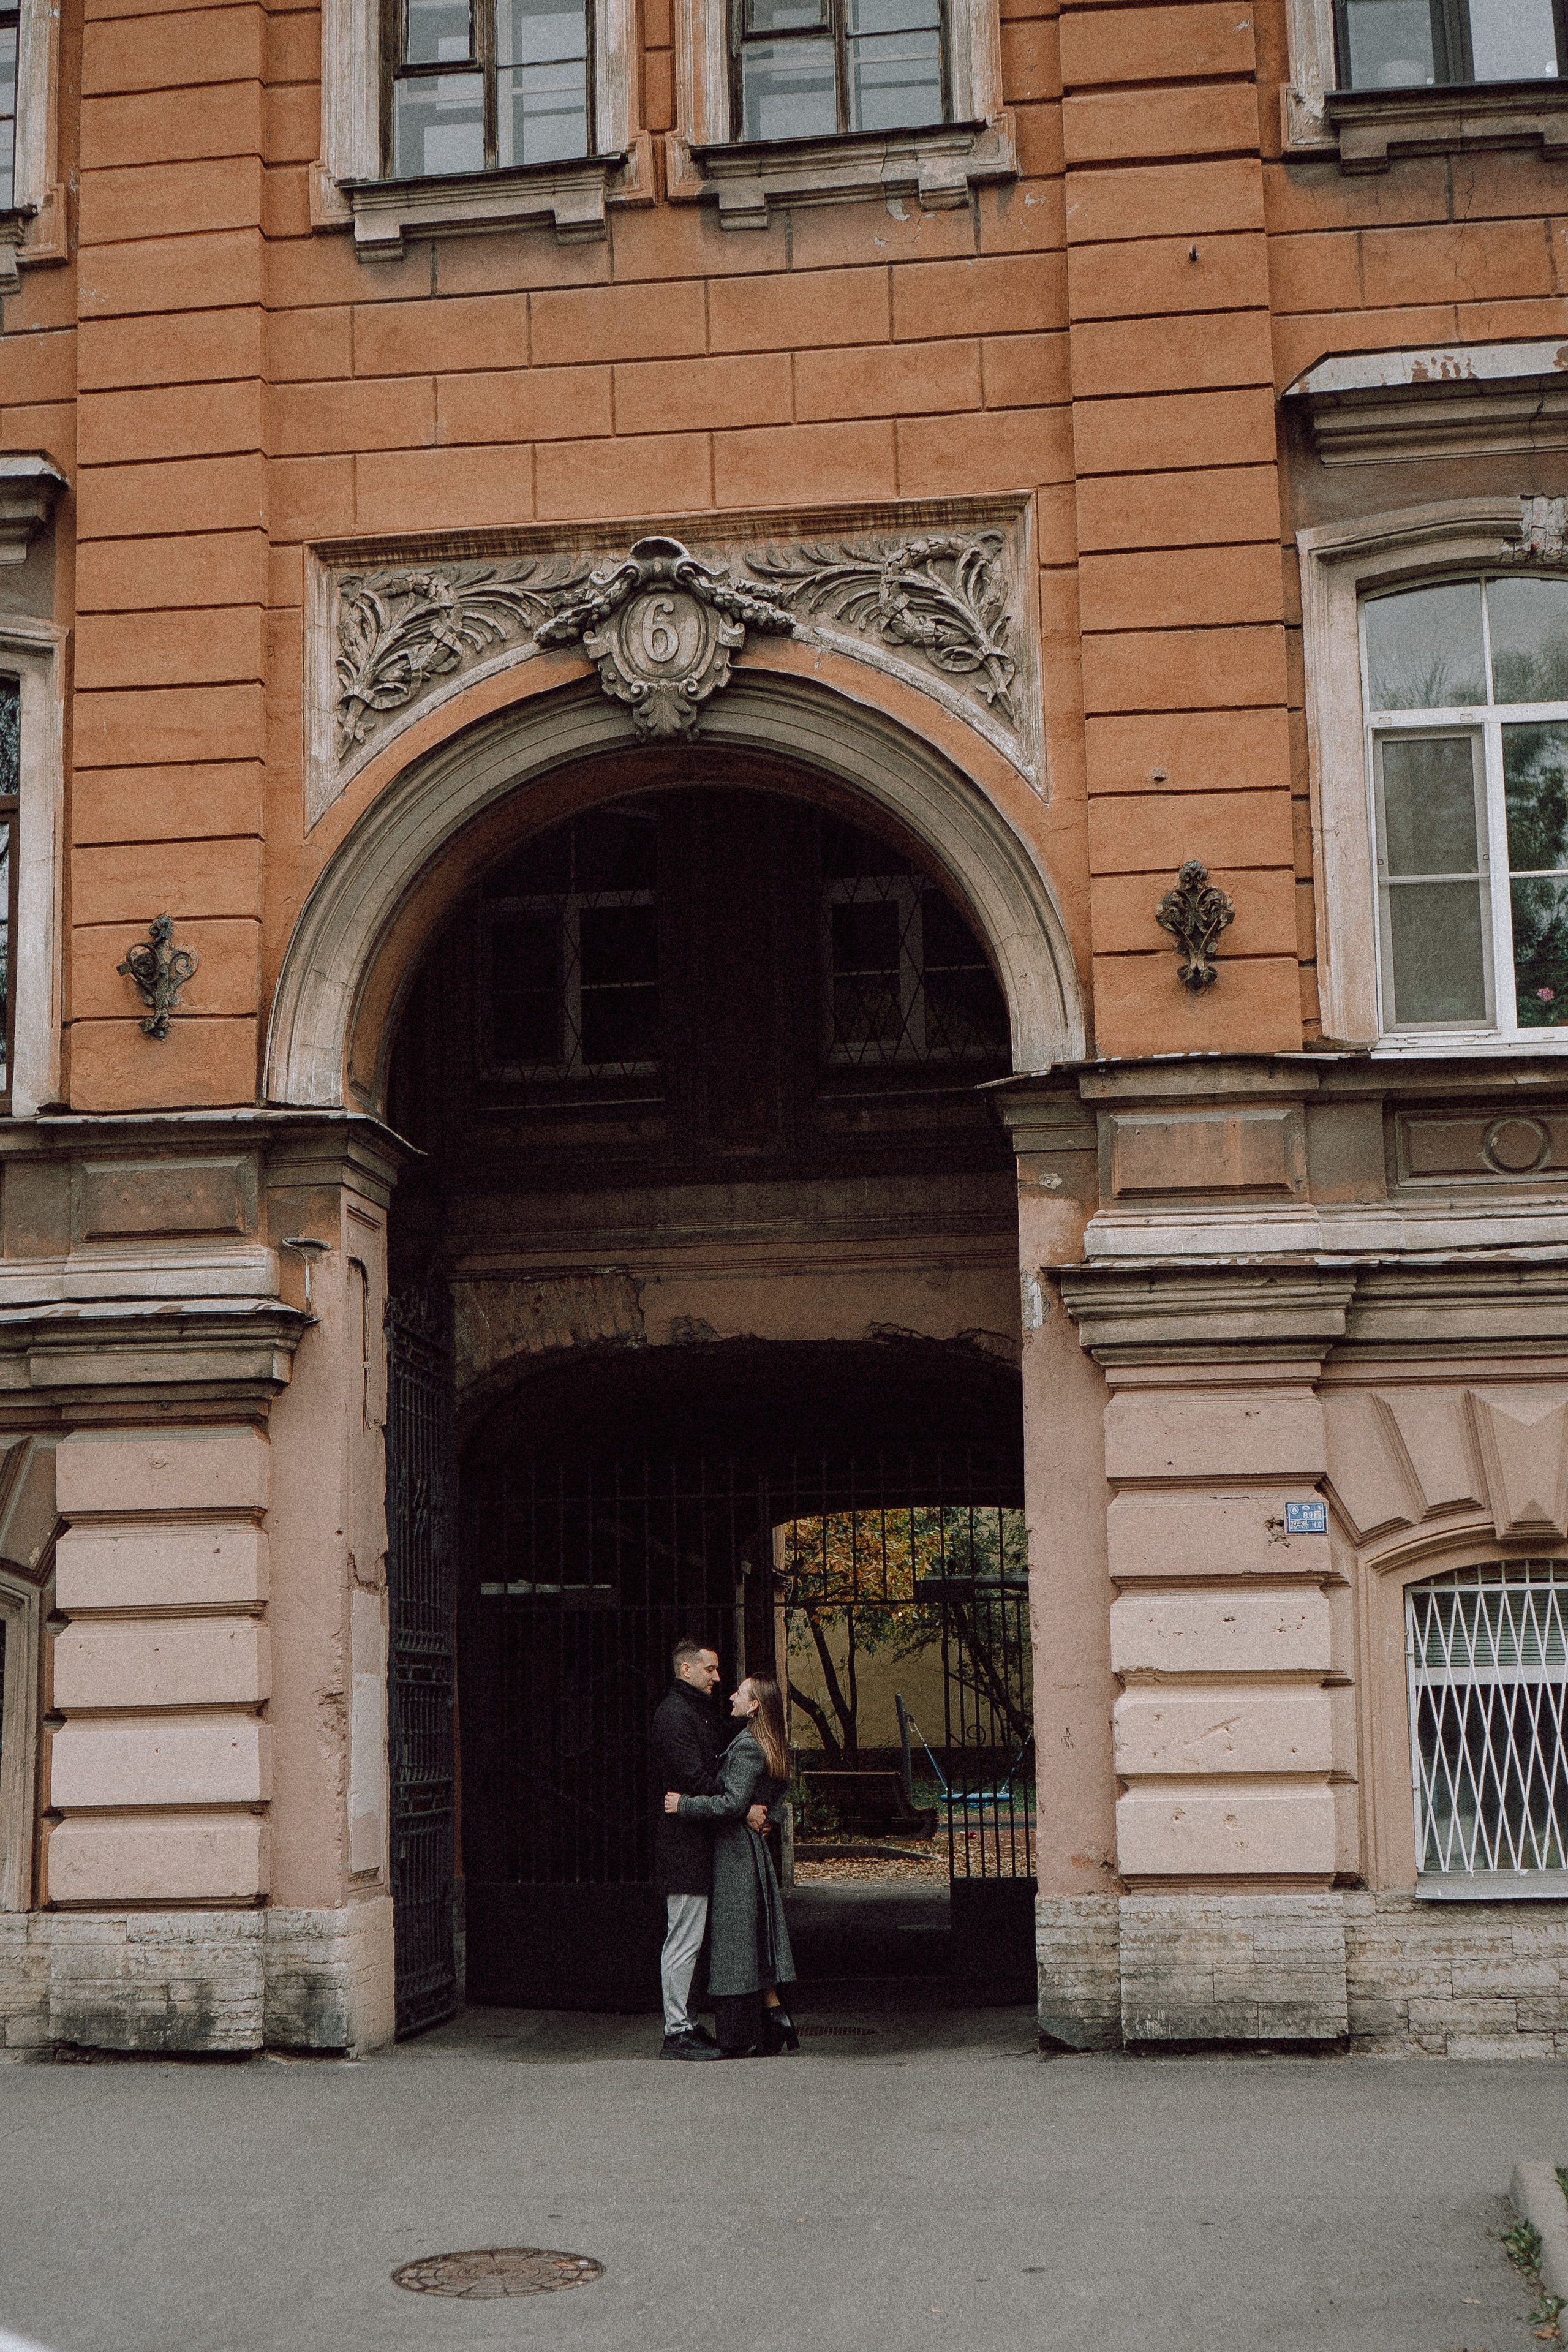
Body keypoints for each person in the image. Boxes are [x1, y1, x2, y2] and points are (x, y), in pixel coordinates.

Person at [665, 1675, 799, 2058]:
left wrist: (683, 1805)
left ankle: (743, 2034)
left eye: (741, 1692)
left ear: (754, 1705)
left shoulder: (747, 1747)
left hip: (735, 1854)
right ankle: (776, 2021)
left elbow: (730, 1803)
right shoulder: (761, 1741)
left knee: (735, 1943)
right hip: (747, 1851)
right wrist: (767, 1811)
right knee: (750, 1938)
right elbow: (776, 1786)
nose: (732, 1695)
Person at [650, 1637, 767, 2060]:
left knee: (690, 1939)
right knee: (683, 1939)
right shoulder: (676, 1715)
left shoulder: (692, 1712)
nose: (719, 1677)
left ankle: (687, 2023)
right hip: (684, 1846)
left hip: (696, 1842)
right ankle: (677, 2030)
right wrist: (741, 1805)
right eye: (711, 1669)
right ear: (687, 1670)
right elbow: (697, 1779)